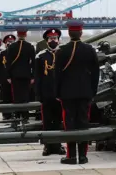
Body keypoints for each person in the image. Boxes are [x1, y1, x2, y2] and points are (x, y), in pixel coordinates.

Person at [56, 20, 99, 165]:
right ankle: (83, 156)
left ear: (69, 33)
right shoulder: (89, 50)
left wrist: (57, 92)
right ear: (81, 33)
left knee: (69, 123)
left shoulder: (62, 51)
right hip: (85, 92)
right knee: (83, 122)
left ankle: (71, 156)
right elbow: (95, 74)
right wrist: (92, 91)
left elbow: (57, 75)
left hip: (67, 93)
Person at [34, 28, 66, 156]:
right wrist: (38, 94)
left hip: (60, 94)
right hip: (46, 94)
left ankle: (58, 146)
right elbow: (37, 77)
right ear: (47, 41)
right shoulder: (40, 56)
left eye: (55, 38)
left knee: (59, 121)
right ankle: (47, 146)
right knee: (47, 121)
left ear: (58, 40)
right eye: (51, 38)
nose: (53, 40)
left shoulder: (63, 54)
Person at [6, 26, 36, 121]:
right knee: (25, 95)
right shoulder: (30, 46)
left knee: (16, 95)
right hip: (26, 74)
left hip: (15, 74)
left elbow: (8, 62)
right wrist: (33, 76)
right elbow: (33, 62)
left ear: (18, 34)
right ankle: (25, 115)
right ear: (25, 34)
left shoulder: (12, 46)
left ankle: (17, 115)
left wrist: (8, 76)